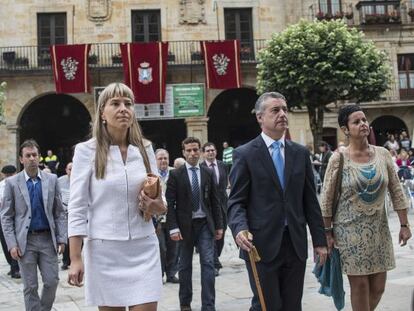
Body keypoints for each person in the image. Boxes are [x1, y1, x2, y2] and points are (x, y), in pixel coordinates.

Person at [67, 82, 166, 310]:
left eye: (128, 104)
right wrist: (75, 258)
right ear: (103, 113)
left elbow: (162, 201)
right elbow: (77, 206)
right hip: (104, 251)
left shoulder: (145, 148)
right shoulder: (86, 151)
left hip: (144, 246)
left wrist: (156, 205)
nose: (123, 108)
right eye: (115, 103)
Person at [227, 92, 327, 311]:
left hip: (295, 244)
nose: (282, 114)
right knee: (267, 305)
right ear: (260, 117)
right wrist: (239, 228)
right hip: (260, 246)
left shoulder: (300, 153)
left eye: (284, 109)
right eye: (275, 110)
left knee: (292, 306)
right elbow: (236, 202)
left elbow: (310, 201)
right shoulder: (245, 154)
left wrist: (320, 240)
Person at [321, 105, 411, 311]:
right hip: (349, 232)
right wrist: (327, 232)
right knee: (360, 286)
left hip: (379, 231)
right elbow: (326, 199)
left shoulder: (383, 154)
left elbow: (396, 190)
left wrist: (404, 224)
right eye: (356, 121)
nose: (363, 124)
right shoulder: (338, 158)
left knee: (378, 287)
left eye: (364, 120)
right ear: (345, 129)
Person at [0, 139, 67, 311]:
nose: (32, 158)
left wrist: (61, 238)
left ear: (39, 157)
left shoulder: (52, 180)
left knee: (52, 281)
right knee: (30, 286)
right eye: (28, 155)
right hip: (25, 242)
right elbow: (6, 216)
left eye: (34, 155)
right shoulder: (12, 183)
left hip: (47, 239)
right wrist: (11, 244)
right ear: (21, 159)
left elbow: (59, 212)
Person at [166, 137, 223, 311]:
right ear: (183, 152)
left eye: (195, 149)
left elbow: (215, 201)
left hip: (205, 224)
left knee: (208, 263)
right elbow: (170, 203)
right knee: (185, 266)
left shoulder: (207, 172)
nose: (192, 153)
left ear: (200, 151)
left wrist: (219, 225)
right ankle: (185, 303)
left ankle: (208, 305)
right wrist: (173, 227)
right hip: (184, 227)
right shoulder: (176, 174)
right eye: (189, 150)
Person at [201, 142, 229, 276]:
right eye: (208, 151)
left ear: (216, 152)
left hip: (223, 205)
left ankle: (216, 256)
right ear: (204, 153)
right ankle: (214, 262)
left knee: (222, 232)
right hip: (209, 206)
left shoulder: (223, 165)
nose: (210, 152)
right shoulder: (201, 168)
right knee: (211, 233)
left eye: (212, 150)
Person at [155, 148, 179, 284]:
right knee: (161, 248)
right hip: (157, 219)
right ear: (155, 160)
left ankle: (171, 273)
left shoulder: (175, 173)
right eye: (160, 158)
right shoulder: (151, 175)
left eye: (165, 158)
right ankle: (160, 273)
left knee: (173, 247)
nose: (163, 161)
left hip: (173, 218)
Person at [0, 164, 20, 279]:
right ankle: (12, 265)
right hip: (3, 218)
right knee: (5, 242)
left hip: (16, 217)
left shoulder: (18, 184)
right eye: (7, 175)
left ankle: (15, 268)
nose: (8, 177)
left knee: (14, 242)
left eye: (10, 174)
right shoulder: (1, 186)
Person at [58, 162, 72, 270]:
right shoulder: (60, 181)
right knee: (66, 237)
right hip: (64, 213)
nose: (71, 172)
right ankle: (65, 261)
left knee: (77, 237)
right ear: (66, 170)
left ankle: (73, 257)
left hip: (77, 213)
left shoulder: (81, 180)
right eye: (70, 169)